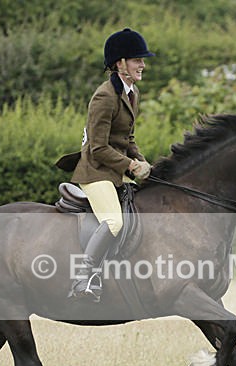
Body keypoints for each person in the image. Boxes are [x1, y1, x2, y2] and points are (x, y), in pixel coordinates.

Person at [63, 28, 154, 302]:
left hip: (114, 169)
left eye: (142, 59)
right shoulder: (104, 97)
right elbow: (98, 148)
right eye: (137, 59)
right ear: (120, 64)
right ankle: (83, 278)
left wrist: (141, 160)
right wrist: (129, 165)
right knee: (114, 221)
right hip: (95, 171)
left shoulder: (132, 92)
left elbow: (127, 138)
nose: (143, 64)